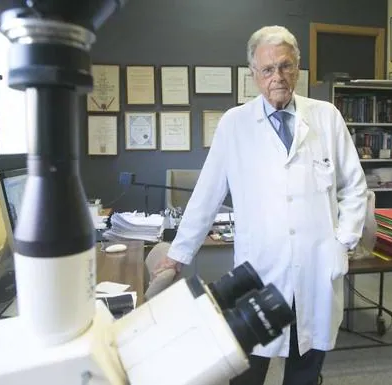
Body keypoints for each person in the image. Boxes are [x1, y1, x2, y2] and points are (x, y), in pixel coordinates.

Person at [153, 25, 368, 385]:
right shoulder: (235, 124)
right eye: (267, 69)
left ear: (297, 67)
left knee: (306, 368)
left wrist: (342, 242)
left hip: (317, 269)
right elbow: (206, 195)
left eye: (285, 66)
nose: (278, 77)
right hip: (260, 273)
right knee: (247, 371)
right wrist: (178, 254)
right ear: (253, 74)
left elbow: (355, 187)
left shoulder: (326, 116)